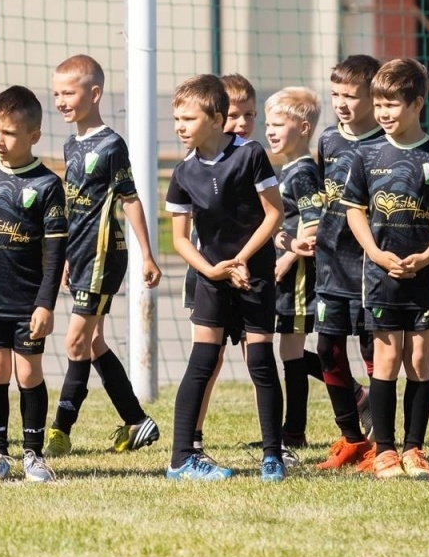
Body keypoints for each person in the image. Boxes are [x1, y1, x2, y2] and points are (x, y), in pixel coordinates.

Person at [342, 57, 429, 480]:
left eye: (392, 104)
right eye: (378, 104)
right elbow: (354, 210)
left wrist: (428, 254)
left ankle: (414, 450)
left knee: (419, 358)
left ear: (417, 104)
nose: (383, 113)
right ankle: (385, 452)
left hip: (424, 273)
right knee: (387, 356)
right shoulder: (366, 153)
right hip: (380, 275)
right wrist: (375, 254)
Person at [163, 75, 286, 482]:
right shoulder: (184, 172)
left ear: (216, 120)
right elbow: (180, 239)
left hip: (254, 274)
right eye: (176, 119)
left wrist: (242, 259)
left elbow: (275, 213)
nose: (179, 127)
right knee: (202, 360)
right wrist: (212, 269)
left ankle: (273, 456)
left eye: (188, 119)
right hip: (212, 276)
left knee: (261, 361)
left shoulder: (250, 154)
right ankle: (182, 459)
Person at [46, 54, 162, 457]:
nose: (61, 101)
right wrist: (65, 256)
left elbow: (130, 199)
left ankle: (60, 431)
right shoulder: (70, 144)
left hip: (102, 256)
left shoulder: (111, 144)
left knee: (75, 341)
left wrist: (148, 255)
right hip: (79, 255)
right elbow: (74, 206)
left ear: (94, 94)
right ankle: (136, 420)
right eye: (56, 94)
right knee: (93, 341)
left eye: (69, 93)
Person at [0, 86, 68, 484]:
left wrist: (45, 304)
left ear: (33, 135)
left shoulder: (47, 185)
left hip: (27, 302)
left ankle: (33, 455)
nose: (0, 140)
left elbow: (55, 255)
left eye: (10, 133)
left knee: (28, 373)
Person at [312, 55, 386, 473]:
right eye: (335, 94)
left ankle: (380, 442)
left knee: (373, 349)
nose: (341, 103)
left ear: (373, 98)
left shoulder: (386, 144)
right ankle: (352, 439)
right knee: (327, 349)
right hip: (330, 264)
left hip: (369, 266)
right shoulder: (328, 140)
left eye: (350, 96)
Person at [266, 87, 325, 470]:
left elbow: (315, 224)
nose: (269, 132)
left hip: (300, 277)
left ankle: (297, 428)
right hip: (289, 274)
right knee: (289, 351)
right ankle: (294, 428)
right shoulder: (288, 169)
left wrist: (287, 259)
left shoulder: (302, 171)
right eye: (268, 124)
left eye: (278, 125)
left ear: (303, 128)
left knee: (291, 350)